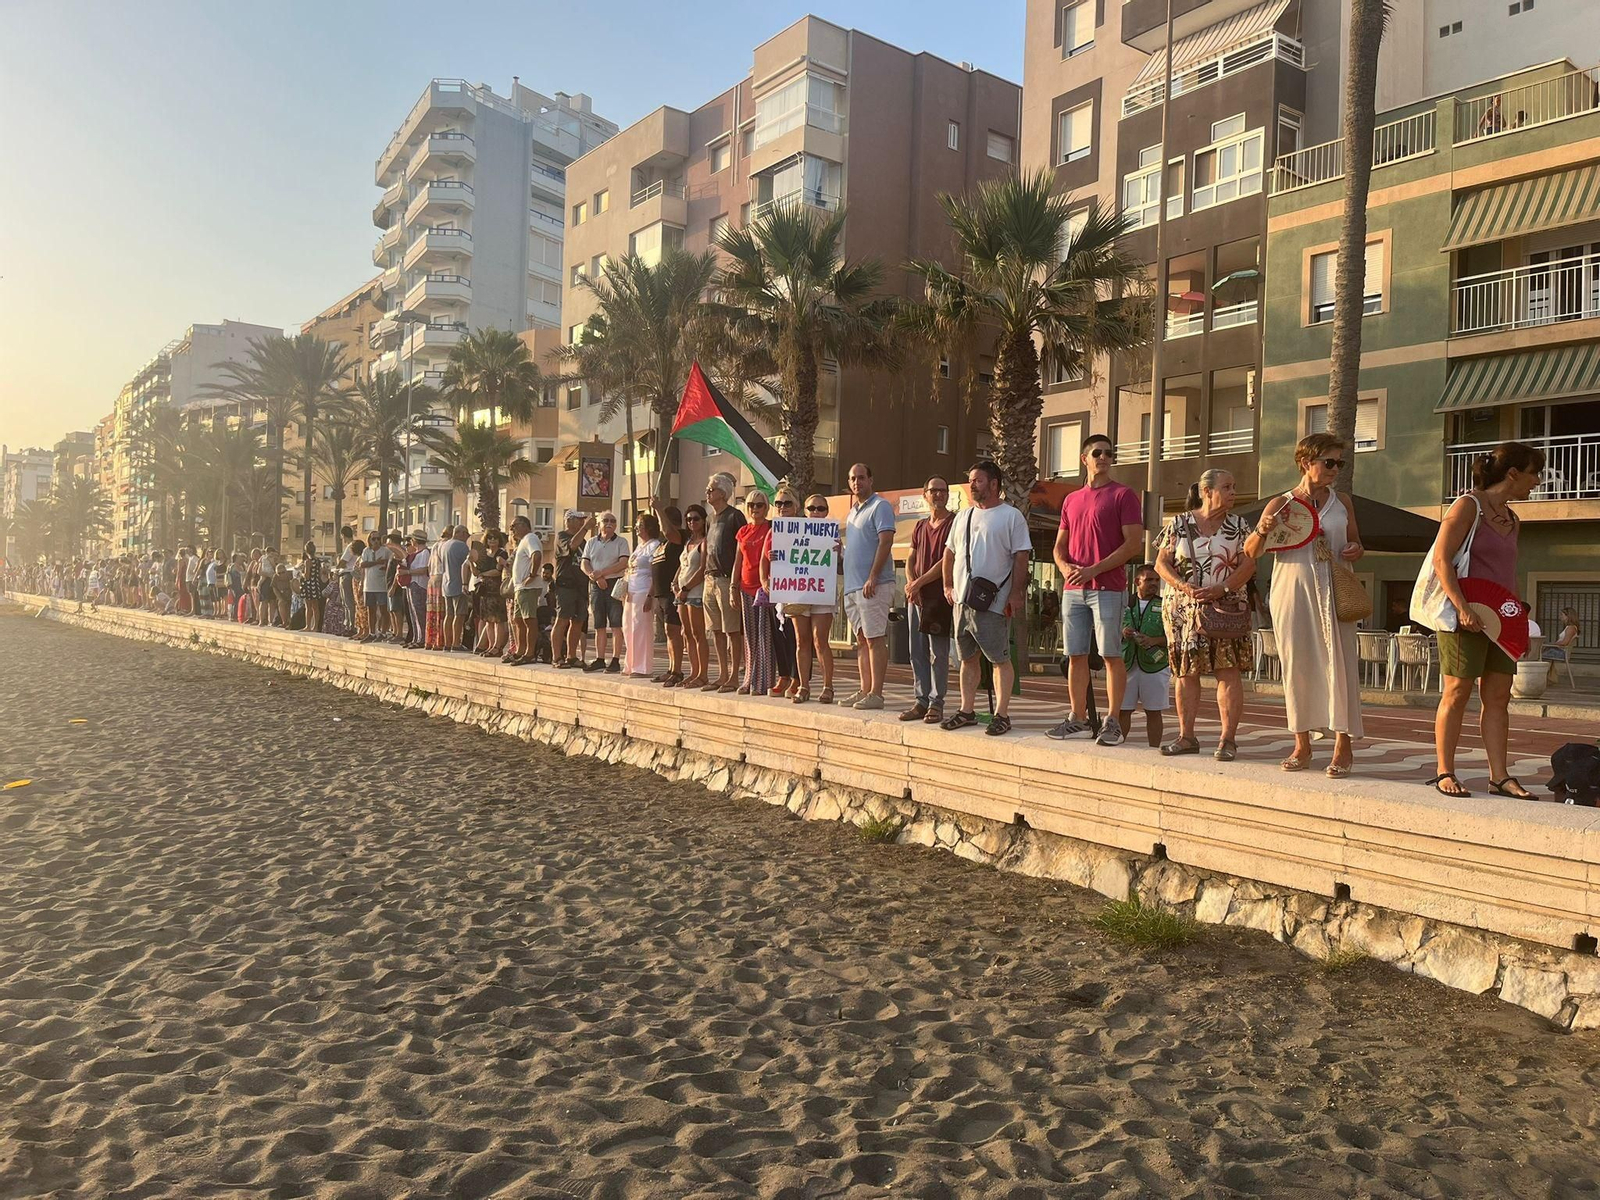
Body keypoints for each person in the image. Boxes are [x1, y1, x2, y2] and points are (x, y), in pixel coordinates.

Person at [1427, 441, 1546, 798]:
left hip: (1503, 619)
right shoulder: (1468, 506)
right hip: (1464, 617)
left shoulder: (1513, 518)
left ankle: (1499, 776)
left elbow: (1508, 572)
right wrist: (1462, 607)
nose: (1537, 482)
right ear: (1513, 474)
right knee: (1457, 690)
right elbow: (1441, 561)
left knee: (1498, 696)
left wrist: (1519, 621)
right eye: (1533, 473)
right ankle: (1444, 771)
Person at [1245, 434, 1365, 776]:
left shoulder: (1342, 502)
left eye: (1338, 463)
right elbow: (1251, 552)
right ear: (1305, 463)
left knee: (1341, 664)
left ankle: (1343, 746)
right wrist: (1262, 529)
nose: (1334, 469)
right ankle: (1302, 744)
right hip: (1293, 590)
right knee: (1296, 663)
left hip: (1336, 590)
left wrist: (1355, 549)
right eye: (1329, 462)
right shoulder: (1280, 504)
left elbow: (1356, 541)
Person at [1154, 470, 1256, 761]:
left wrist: (1222, 587)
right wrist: (1182, 585)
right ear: (1205, 491)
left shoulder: (1240, 526)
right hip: (1184, 610)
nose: (1233, 492)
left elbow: (1249, 566)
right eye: (1227, 487)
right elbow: (1162, 563)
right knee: (1186, 671)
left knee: (1229, 669)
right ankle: (1186, 736)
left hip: (1227, 607)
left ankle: (1228, 740)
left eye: (1234, 486)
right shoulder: (1179, 523)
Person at [1049, 434, 1144, 747]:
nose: (1104, 457)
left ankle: (1112, 721)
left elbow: (1133, 544)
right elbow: (1059, 546)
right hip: (1074, 590)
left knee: (1110, 655)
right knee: (1075, 655)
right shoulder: (1071, 500)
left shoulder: (1124, 495)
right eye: (1097, 453)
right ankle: (1077, 717)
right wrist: (1064, 569)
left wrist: (1094, 569)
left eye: (1109, 453)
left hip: (1108, 588)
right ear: (1084, 459)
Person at [940, 460, 1031, 736]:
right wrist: (947, 586)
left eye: (978, 480)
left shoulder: (1011, 516)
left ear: (994, 484)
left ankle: (1001, 714)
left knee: (999, 658)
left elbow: (1021, 556)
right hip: (962, 601)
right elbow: (949, 553)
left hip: (993, 602)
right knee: (967, 658)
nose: (972, 485)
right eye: (971, 480)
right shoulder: (962, 516)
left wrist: (1015, 594)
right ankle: (966, 710)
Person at [841, 463, 896, 710]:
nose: (856, 482)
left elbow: (885, 542)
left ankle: (877, 693)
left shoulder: (880, 506)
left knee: (874, 639)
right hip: (853, 587)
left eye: (861, 477)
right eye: (853, 478)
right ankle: (865, 689)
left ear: (870, 480)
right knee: (862, 640)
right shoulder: (852, 512)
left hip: (873, 585)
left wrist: (873, 576)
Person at [901, 476, 954, 724]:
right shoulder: (920, 526)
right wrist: (911, 583)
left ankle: (937, 701)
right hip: (916, 598)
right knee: (916, 651)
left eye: (942, 491)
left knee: (938, 653)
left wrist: (919, 582)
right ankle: (920, 700)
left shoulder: (954, 523)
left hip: (938, 598)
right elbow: (910, 557)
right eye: (933, 491)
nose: (938, 495)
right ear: (925, 495)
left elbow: (947, 560)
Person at [788, 494, 837, 705]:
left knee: (820, 640)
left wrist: (839, 552)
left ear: (827, 511)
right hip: (798, 591)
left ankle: (828, 686)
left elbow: (843, 563)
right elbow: (782, 562)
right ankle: (803, 685)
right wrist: (775, 556)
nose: (816, 512)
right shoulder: (790, 534)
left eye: (821, 508)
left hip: (822, 591)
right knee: (801, 640)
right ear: (804, 511)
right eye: (812, 508)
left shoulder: (834, 536)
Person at [701, 472, 746, 693]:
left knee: (732, 630)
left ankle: (734, 675)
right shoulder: (710, 518)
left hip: (727, 580)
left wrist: (735, 585)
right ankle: (722, 674)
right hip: (709, 578)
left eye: (711, 489)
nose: (707, 492)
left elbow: (742, 551)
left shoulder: (735, 516)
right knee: (716, 631)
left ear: (723, 493)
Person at [733, 490, 781, 695]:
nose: (755, 509)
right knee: (750, 637)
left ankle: (766, 682)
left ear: (766, 507)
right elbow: (738, 561)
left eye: (759, 505)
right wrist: (733, 587)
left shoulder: (772, 528)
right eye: (752, 505)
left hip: (766, 589)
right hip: (745, 588)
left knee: (765, 636)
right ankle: (749, 679)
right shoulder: (743, 531)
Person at [1120, 565, 1170, 749]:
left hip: (1155, 664)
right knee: (1123, 710)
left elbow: (1173, 636)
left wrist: (1154, 640)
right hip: (1126, 663)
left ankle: (1154, 749)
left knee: (1154, 711)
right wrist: (1121, 632)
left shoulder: (1164, 604)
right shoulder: (1124, 603)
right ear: (1137, 581)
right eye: (1149, 580)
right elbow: (1106, 629)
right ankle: (1119, 746)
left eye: (1157, 580)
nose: (1154, 584)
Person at [581, 511, 628, 673]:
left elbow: (623, 563)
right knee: (599, 624)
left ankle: (615, 660)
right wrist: (594, 577)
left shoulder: (621, 542)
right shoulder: (591, 542)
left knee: (616, 623)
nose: (609, 523)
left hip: (614, 583)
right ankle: (600, 659)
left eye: (613, 521)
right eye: (606, 520)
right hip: (595, 585)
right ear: (599, 524)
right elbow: (585, 563)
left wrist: (603, 573)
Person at [648, 502, 686, 686]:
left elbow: (669, 532)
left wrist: (658, 508)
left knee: (673, 631)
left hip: (673, 593)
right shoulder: (662, 544)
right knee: (668, 632)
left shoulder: (679, 536)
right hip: (661, 594)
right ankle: (671, 668)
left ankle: (678, 671)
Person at [674, 503, 710, 689]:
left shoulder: (704, 542)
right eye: (688, 519)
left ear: (703, 520)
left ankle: (703, 674)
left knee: (698, 634)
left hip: (694, 592)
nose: (692, 522)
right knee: (686, 633)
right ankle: (693, 671)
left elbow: (702, 568)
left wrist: (686, 588)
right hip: (681, 592)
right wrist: (675, 582)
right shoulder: (688, 542)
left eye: (696, 518)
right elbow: (683, 564)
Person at [623, 513, 663, 678]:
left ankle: (642, 667)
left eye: (639, 525)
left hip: (643, 590)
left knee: (641, 627)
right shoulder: (639, 546)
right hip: (631, 590)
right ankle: (630, 664)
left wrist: (650, 595)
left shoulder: (654, 545)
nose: (636, 528)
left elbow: (656, 572)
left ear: (648, 528)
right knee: (628, 627)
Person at [552, 511, 592, 669]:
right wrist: (585, 529)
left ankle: (571, 656)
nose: (582, 522)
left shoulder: (585, 541)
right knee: (562, 619)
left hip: (581, 586)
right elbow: (572, 546)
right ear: (569, 520)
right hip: (565, 585)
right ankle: (556, 657)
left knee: (578, 621)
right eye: (579, 520)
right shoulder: (562, 536)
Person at [506, 515, 542, 665]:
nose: (512, 529)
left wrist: (532, 575)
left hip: (528, 588)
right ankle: (520, 650)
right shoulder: (522, 542)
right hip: (520, 588)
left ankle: (529, 653)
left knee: (529, 620)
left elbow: (537, 555)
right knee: (518, 620)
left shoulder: (530, 538)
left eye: (514, 525)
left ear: (524, 525)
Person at [470, 530, 508, 656]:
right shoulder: (484, 555)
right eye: (490, 538)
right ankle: (491, 646)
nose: (492, 540)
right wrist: (470, 561)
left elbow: (497, 572)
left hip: (497, 590)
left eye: (495, 538)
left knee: (498, 620)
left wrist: (483, 574)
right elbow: (476, 572)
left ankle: (497, 647)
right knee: (488, 621)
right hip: (485, 590)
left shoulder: (502, 553)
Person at [440, 525, 472, 652]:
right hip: (458, 584)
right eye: (466, 534)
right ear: (459, 533)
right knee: (459, 615)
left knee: (449, 615)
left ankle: (447, 643)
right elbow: (468, 563)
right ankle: (456, 643)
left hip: (446, 584)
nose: (467, 537)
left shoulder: (444, 545)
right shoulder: (461, 546)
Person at [359, 534, 391, 642]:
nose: (376, 541)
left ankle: (383, 632)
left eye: (378, 538)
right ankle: (372, 632)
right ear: (369, 540)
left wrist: (385, 565)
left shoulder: (385, 550)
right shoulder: (366, 551)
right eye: (374, 539)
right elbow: (362, 564)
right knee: (370, 610)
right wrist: (376, 562)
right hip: (369, 585)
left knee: (383, 610)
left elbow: (391, 563)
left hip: (381, 585)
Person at [403, 530, 430, 650]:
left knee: (419, 612)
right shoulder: (416, 553)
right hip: (412, 584)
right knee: (413, 613)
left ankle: (422, 638)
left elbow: (424, 570)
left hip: (419, 584)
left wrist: (408, 572)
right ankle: (416, 637)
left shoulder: (424, 553)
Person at [1543, 606, 1581, 684]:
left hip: (1561, 652)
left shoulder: (1571, 628)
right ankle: (1548, 678)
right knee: (1542, 651)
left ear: (1568, 616)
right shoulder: (1569, 627)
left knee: (1538, 655)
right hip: (1559, 650)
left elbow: (1565, 642)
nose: (1560, 617)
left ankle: (1542, 678)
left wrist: (1552, 644)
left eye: (1562, 615)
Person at [299, 541, 326, 634]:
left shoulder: (308, 561)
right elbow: (320, 573)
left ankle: (308, 626)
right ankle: (315, 626)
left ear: (306, 551)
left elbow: (306, 576)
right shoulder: (318, 561)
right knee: (315, 607)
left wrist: (301, 574)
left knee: (308, 607)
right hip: (316, 584)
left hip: (308, 585)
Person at [338, 526, 359, 640]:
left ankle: (351, 626)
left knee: (348, 602)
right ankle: (347, 625)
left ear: (343, 535)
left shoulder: (350, 546)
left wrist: (338, 563)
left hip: (347, 575)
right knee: (346, 603)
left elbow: (342, 563)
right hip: (347, 574)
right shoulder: (351, 546)